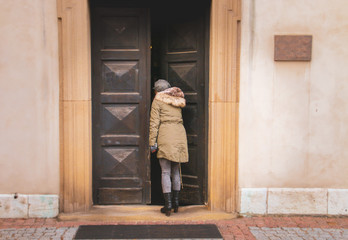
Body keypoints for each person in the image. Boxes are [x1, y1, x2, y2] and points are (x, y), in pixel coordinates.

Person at [149, 79, 189, 217]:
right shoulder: (177, 100)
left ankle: (168, 205)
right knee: (176, 171)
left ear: (157, 90)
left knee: (165, 172)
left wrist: (152, 143)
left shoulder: (157, 101)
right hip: (179, 133)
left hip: (166, 134)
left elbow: (154, 123)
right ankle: (176, 203)